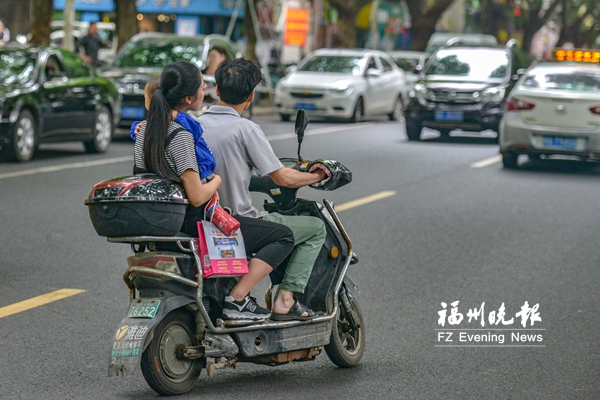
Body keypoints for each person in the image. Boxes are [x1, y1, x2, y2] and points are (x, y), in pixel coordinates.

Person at [134, 61, 295, 321]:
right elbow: (197, 195)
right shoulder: (182, 135)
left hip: (159, 221)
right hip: (195, 220)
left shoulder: (144, 132)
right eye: (201, 86)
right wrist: (217, 181)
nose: (205, 90)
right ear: (189, 97)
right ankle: (238, 300)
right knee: (283, 237)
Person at [200, 58, 327, 321]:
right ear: (251, 95)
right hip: (235, 221)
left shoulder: (194, 125)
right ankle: (279, 298)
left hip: (199, 219)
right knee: (313, 229)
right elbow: (282, 177)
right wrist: (314, 176)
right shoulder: (245, 129)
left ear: (218, 91)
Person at [129, 76, 216, 180]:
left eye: (145, 98)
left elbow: (197, 131)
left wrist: (176, 116)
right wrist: (136, 130)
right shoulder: (149, 125)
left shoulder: (182, 122)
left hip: (200, 168)